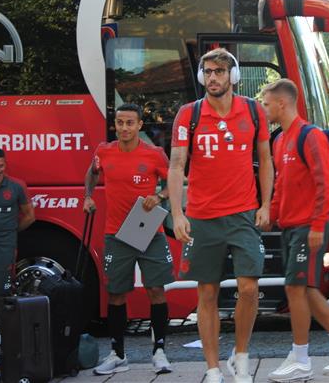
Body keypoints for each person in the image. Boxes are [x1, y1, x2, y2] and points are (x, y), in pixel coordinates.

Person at [168, 48, 273, 383]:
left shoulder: (254, 111)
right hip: (201, 215)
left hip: (242, 214)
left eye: (219, 71)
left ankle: (240, 356)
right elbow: (175, 165)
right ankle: (212, 369)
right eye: (208, 72)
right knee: (207, 293)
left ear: (233, 76)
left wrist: (266, 204)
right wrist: (177, 214)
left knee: (249, 288)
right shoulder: (188, 114)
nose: (212, 77)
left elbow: (266, 161)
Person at [261, 79, 329, 382]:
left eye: (267, 104)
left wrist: (318, 225)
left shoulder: (311, 136)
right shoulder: (280, 140)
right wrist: (273, 213)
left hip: (307, 226)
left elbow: (326, 183)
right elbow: (282, 184)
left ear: (281, 103)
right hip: (292, 226)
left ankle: (301, 357)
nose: (264, 109)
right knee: (304, 289)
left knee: (296, 288)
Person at [83, 103, 174, 375]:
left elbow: (175, 182)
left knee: (156, 289)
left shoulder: (154, 154)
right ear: (115, 125)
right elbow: (92, 172)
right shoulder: (104, 151)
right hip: (116, 234)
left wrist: (159, 196)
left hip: (148, 230)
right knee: (116, 294)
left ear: (139, 126)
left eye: (129, 123)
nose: (124, 128)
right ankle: (118, 354)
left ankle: (159, 352)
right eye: (120, 122)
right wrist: (88, 195)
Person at [0, 148, 34, 345]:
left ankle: (2, 331)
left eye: (1, 165)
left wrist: (11, 231)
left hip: (5, 246)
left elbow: (30, 216)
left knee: (3, 288)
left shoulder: (16, 187)